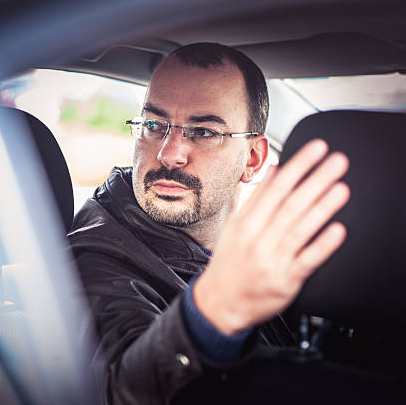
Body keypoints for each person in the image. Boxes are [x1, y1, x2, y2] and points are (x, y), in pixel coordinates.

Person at [68, 43, 350, 404]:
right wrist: (214, 312)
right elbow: (117, 389)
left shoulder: (272, 255)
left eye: (202, 132)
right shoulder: (92, 259)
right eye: (154, 125)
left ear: (252, 159)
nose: (169, 153)